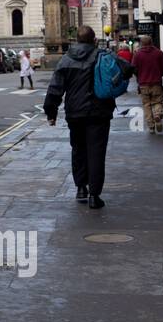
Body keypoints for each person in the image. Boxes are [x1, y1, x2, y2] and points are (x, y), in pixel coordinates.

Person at [43, 26, 133, 210]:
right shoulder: (102, 55)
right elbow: (128, 68)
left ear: (76, 40)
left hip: (74, 114)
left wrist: (51, 112)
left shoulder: (65, 60)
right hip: (98, 113)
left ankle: (81, 188)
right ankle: (94, 195)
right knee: (96, 152)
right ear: (94, 40)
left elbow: (55, 89)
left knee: (78, 150)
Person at [132, 35, 163, 134]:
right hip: (156, 82)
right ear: (151, 42)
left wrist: (139, 76)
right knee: (158, 101)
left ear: (141, 43)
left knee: (146, 105)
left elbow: (134, 69)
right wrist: (159, 74)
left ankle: (151, 126)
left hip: (143, 84)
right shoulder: (159, 53)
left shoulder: (137, 54)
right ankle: (157, 114)